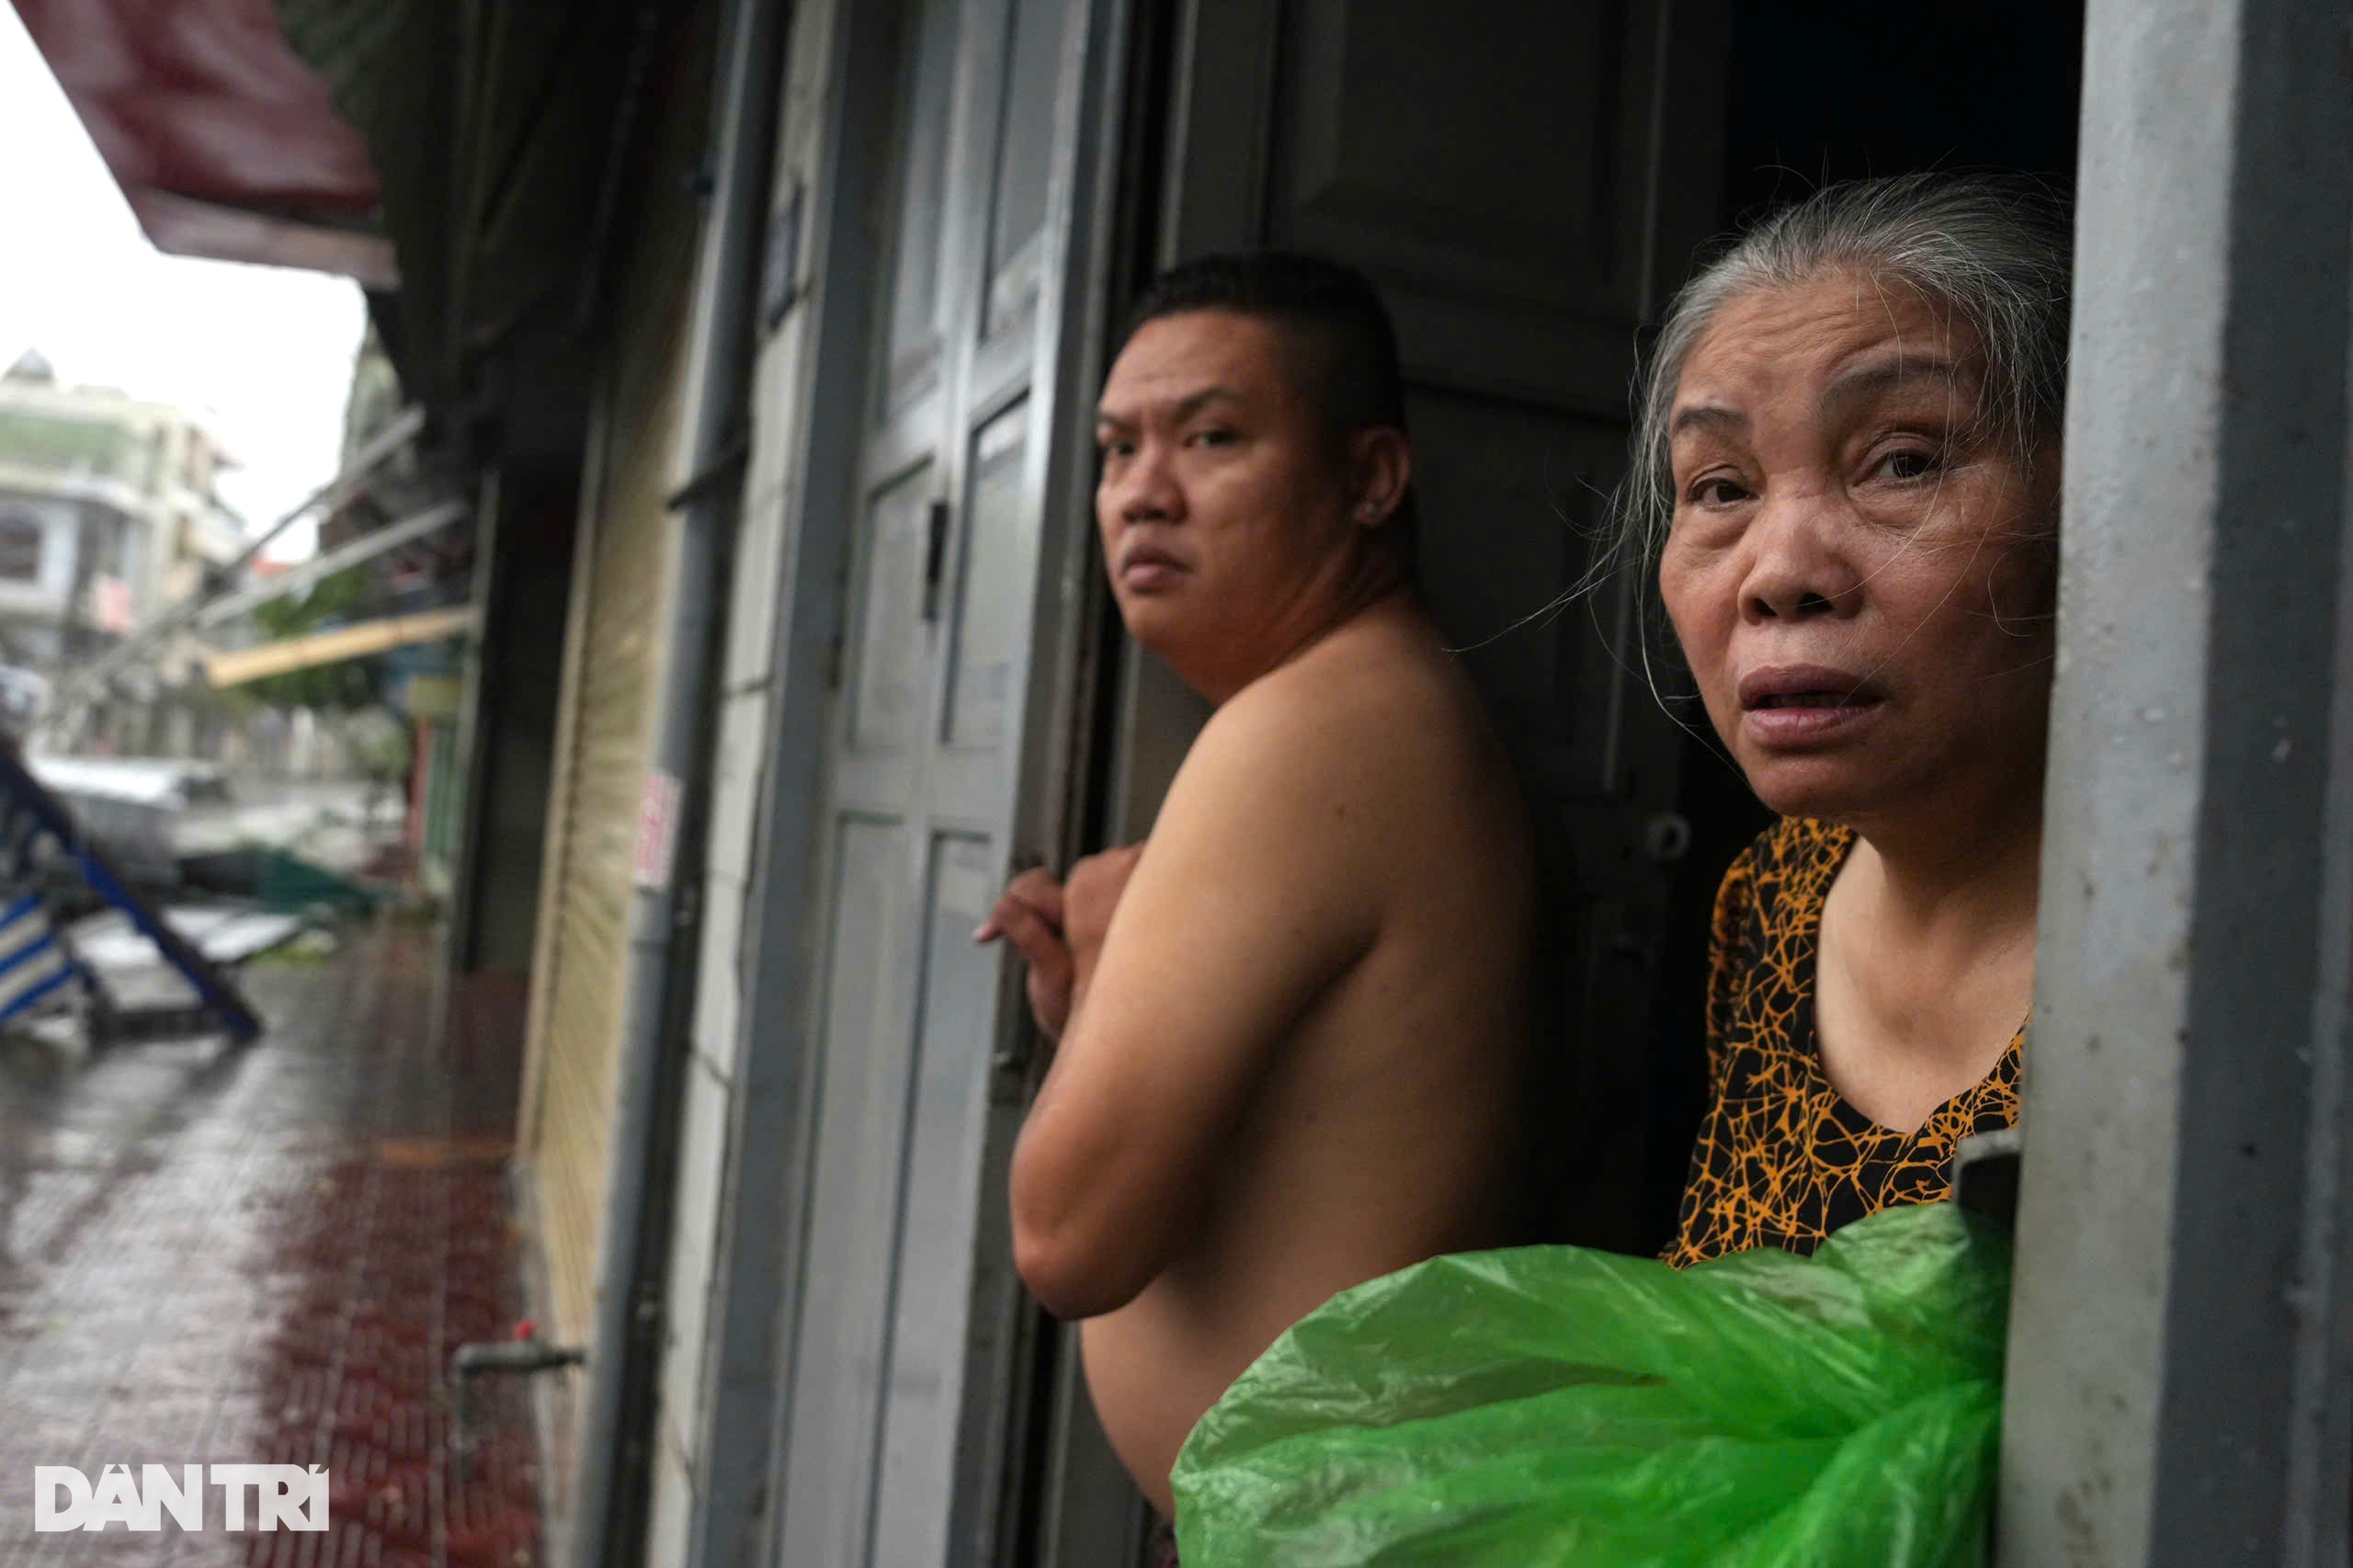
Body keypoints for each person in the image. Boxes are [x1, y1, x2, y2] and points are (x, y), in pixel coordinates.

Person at [977, 253, 1539, 1518]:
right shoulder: (1364, 702)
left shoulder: (1315, 730)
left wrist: (1116, 958)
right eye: (1115, 450)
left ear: (1369, 479)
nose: (1140, 494)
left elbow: (1067, 1243)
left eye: (1212, 437)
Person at [1614, 174, 2072, 1267]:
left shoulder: (2217, 952)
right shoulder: (1774, 896)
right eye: (1720, 487)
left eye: (1902, 461)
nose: (1778, 575)